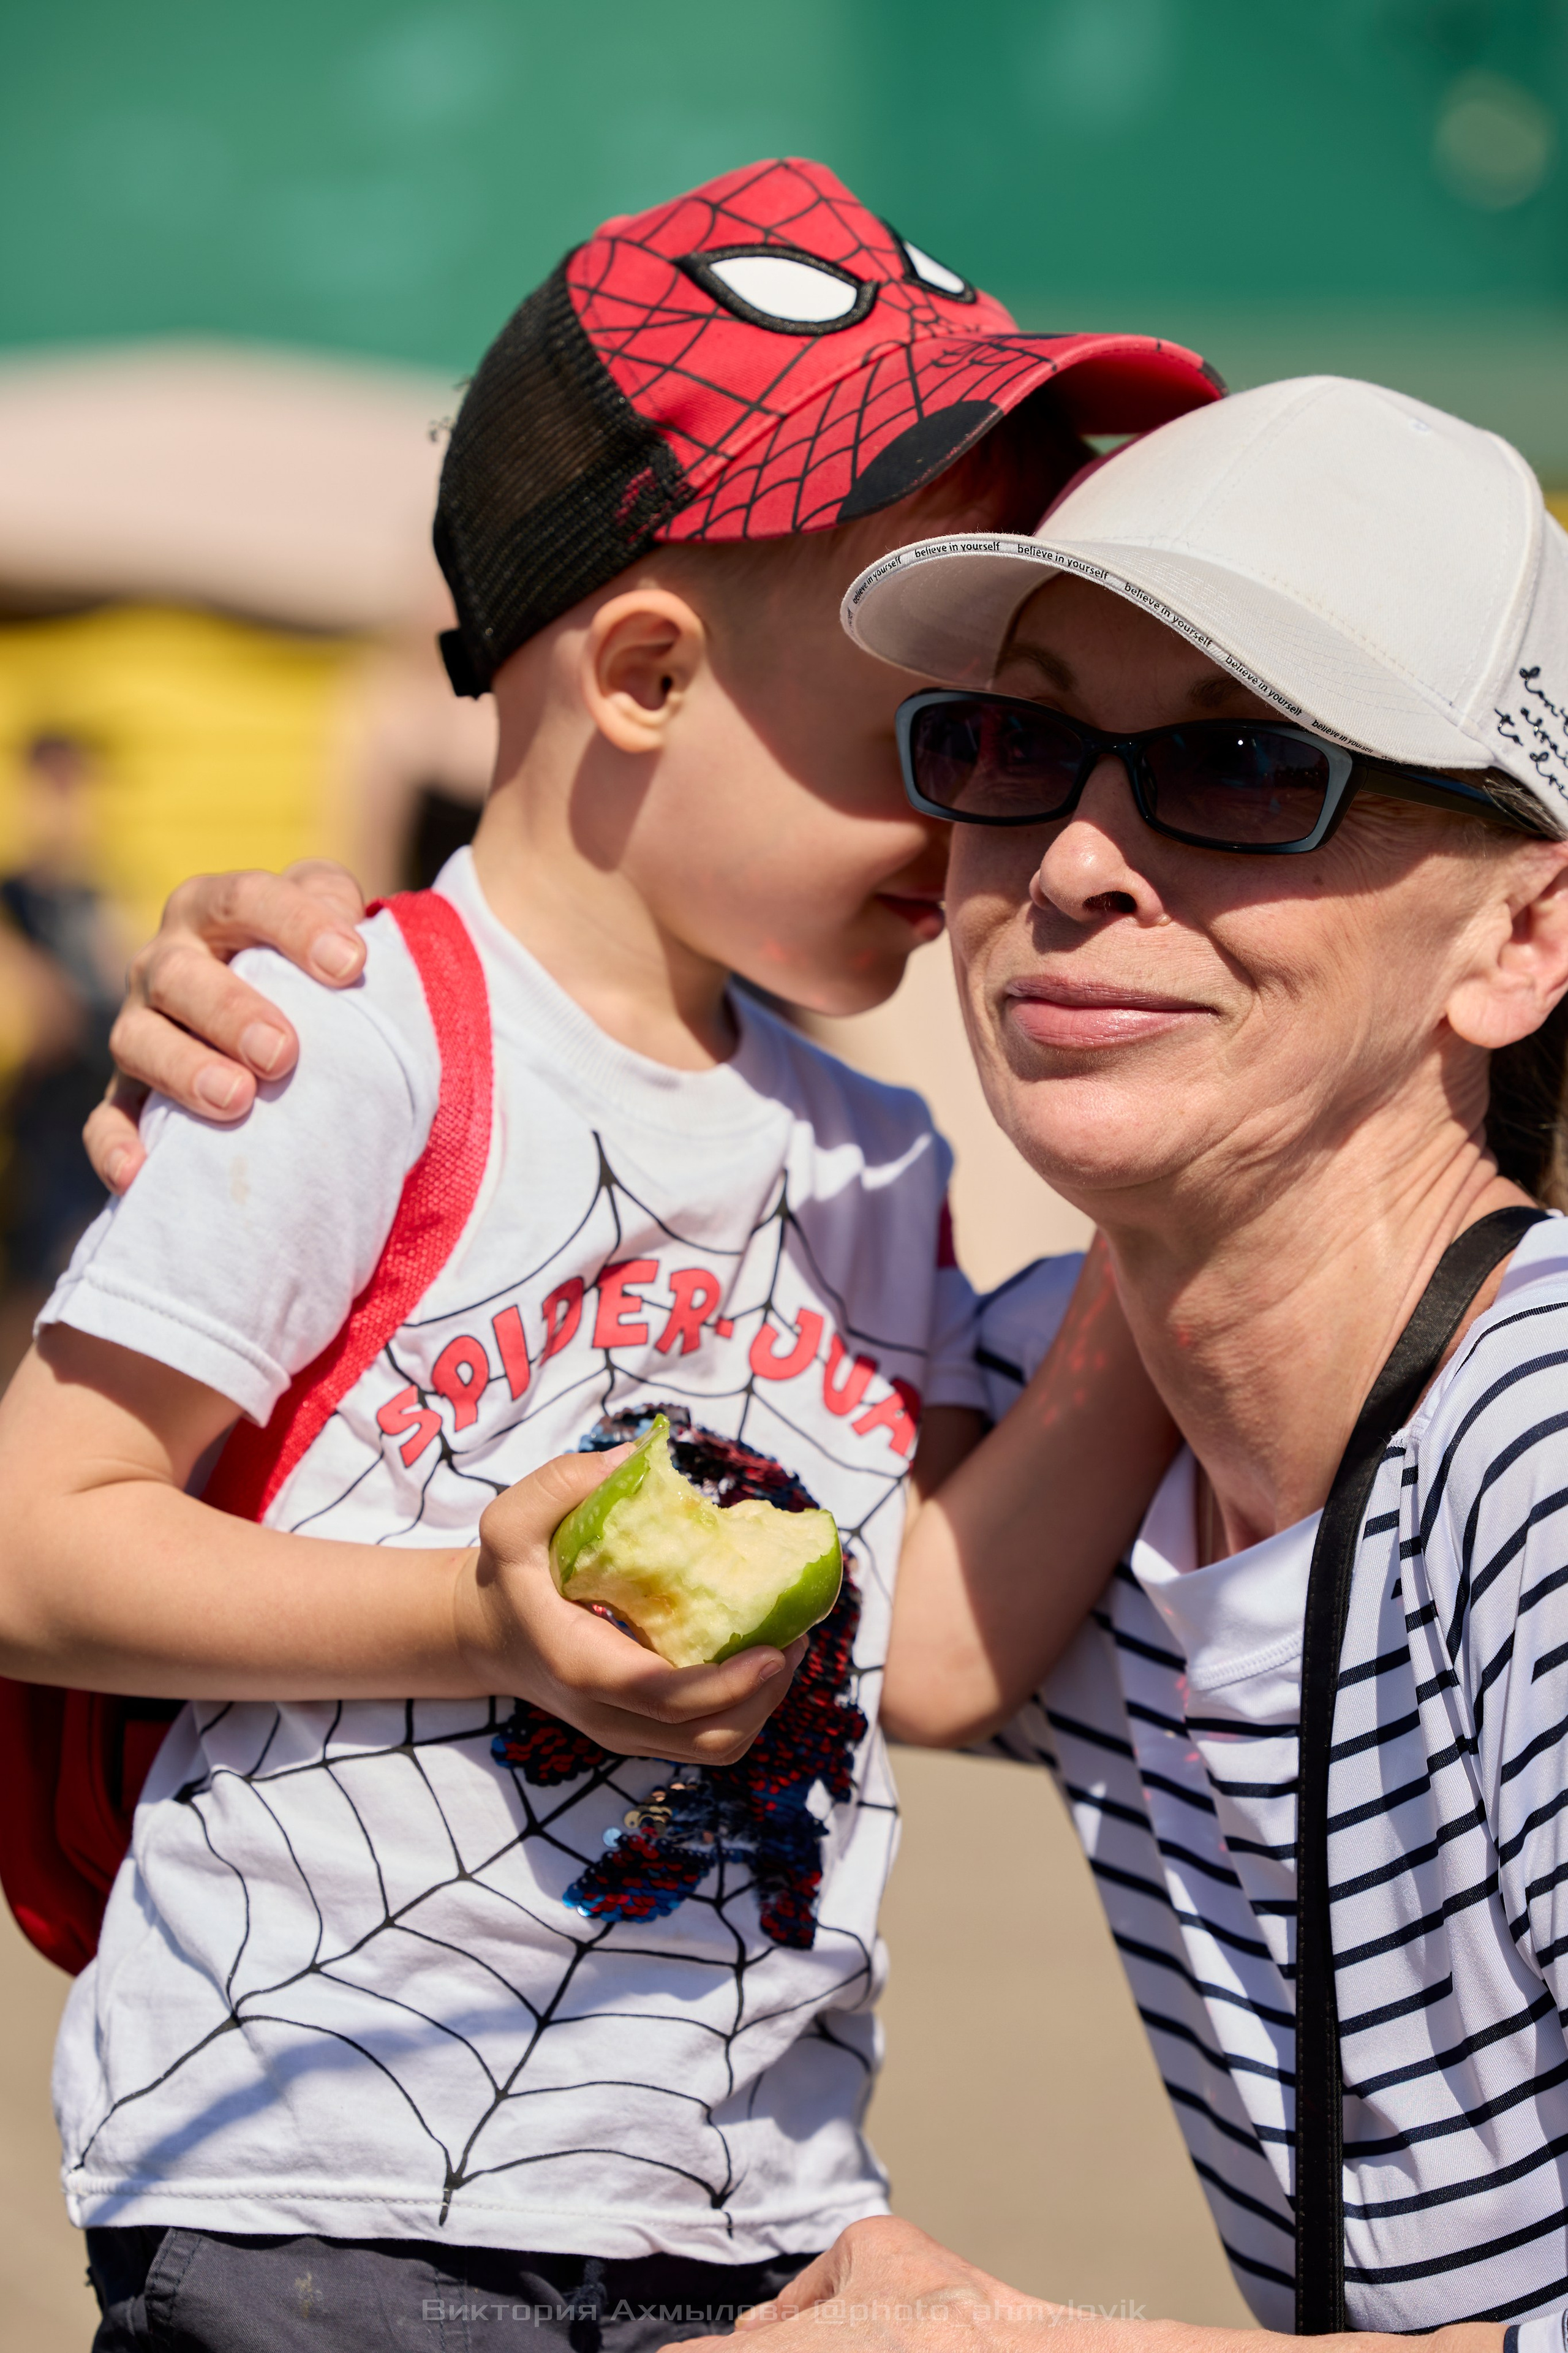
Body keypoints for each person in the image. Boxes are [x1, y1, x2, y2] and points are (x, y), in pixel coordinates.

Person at [127, 376, 1568, 2347]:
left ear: (1521, 934)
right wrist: (321, 1027)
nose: (1070, 864)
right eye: (1010, 746)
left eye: (1240, 767)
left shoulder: (1532, 1446)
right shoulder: (1065, 1460)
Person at [0, 159, 1202, 2352]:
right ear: (645, 670)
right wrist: (476, 1615)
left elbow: (922, 1646)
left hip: (742, 2213)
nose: (991, 824)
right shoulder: (348, 1033)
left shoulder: (870, 1153)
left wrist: (1163, 1242)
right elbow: (34, 1539)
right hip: (316, 2188)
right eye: (944, 740)